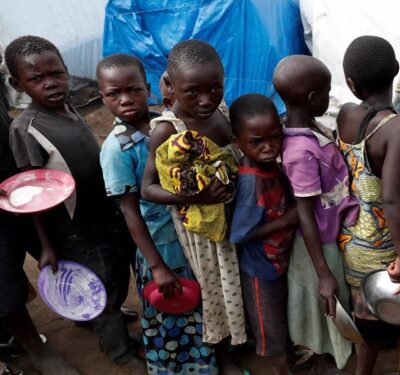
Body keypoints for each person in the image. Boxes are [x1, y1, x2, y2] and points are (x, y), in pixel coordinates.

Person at [4, 35, 141, 374]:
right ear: (16, 83)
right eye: (37, 79)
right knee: (101, 278)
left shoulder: (69, 108)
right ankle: (119, 351)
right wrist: (47, 245)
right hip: (74, 228)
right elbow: (30, 195)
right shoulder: (26, 129)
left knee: (116, 271)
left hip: (103, 214)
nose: (51, 84)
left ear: (67, 71)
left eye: (57, 74)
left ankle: (102, 315)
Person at [97, 53, 218, 375]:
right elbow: (129, 210)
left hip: (188, 236)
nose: (126, 100)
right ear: (102, 97)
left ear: (147, 87)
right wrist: (156, 265)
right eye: (114, 94)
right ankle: (176, 368)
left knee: (198, 299)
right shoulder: (116, 149)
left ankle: (208, 359)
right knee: (171, 305)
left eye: (134, 90)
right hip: (159, 245)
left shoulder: (162, 125)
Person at [140, 39, 248, 374]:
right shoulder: (167, 130)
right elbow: (147, 188)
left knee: (240, 284)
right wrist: (194, 197)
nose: (205, 100)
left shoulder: (222, 111)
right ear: (170, 86)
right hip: (203, 236)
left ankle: (243, 341)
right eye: (193, 92)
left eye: (214, 88)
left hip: (235, 216)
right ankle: (223, 355)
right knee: (216, 293)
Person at [272, 55, 359, 373]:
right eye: (325, 92)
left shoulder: (310, 129)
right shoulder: (300, 153)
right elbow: (305, 214)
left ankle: (332, 357)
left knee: (332, 303)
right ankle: (328, 361)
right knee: (326, 301)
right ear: (312, 99)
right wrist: (323, 271)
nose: (328, 96)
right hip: (318, 244)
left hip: (331, 233)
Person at [337, 36, 400, 375]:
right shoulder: (397, 128)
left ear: (351, 84)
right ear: (397, 70)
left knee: (364, 309)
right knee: (375, 314)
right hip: (381, 245)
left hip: (350, 235)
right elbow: (393, 198)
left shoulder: (344, 115)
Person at [0, 51, 79, 375]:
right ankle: (37, 349)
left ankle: (81, 308)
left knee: (59, 251)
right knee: (4, 283)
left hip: (22, 186)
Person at [228, 94, 298, 375]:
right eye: (257, 142)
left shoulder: (272, 167)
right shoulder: (250, 183)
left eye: (274, 137)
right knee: (271, 330)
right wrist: (287, 219)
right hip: (260, 269)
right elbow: (240, 234)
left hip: (278, 261)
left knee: (282, 319)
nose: (269, 147)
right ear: (238, 143)